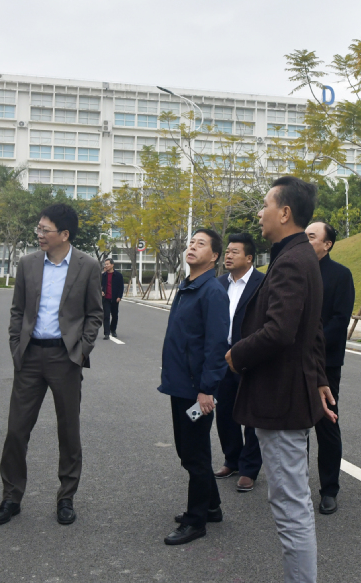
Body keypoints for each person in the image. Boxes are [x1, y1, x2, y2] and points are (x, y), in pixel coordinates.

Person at [226, 176, 337, 583]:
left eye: (266, 205)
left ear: (285, 212)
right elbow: (313, 327)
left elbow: (281, 331)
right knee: (290, 502)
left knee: (291, 507)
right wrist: (319, 377)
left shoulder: (292, 260)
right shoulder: (297, 255)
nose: (260, 213)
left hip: (281, 399)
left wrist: (236, 355)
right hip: (288, 393)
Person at [0, 203, 103, 527]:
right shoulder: (27, 263)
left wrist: (81, 351)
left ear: (64, 234)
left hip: (65, 358)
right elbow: (17, 310)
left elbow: (95, 313)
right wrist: (16, 348)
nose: (39, 234)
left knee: (68, 431)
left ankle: (66, 498)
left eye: (45, 230)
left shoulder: (87, 266)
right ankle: (11, 497)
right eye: (39, 229)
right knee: (16, 430)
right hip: (29, 357)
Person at [158, 228, 231, 545]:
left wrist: (206, 390)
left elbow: (216, 346)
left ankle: (196, 520)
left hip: (196, 391)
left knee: (194, 454)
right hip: (180, 385)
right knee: (190, 450)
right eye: (191, 242)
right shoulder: (188, 286)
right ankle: (211, 506)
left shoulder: (212, 292)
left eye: (201, 244)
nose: (192, 247)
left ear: (214, 256)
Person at [304, 221, 355, 515]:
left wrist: (310, 345)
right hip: (292, 361)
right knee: (295, 424)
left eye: (311, 237)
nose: (305, 240)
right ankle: (297, 486)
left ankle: (329, 490)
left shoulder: (340, 275)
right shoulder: (296, 271)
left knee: (327, 424)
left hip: (325, 362)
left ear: (328, 244)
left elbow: (339, 320)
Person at [212, 233, 264, 493]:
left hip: (250, 356)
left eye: (235, 252)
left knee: (252, 413)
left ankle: (249, 469)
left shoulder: (263, 283)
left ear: (249, 258)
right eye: (228, 251)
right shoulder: (219, 283)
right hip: (223, 357)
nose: (228, 256)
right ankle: (231, 460)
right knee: (225, 411)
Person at [101, 258, 124, 339]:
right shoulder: (103, 276)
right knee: (106, 316)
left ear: (112, 265)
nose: (106, 265)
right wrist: (101, 291)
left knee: (114, 315)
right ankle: (106, 333)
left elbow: (121, 287)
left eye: (107, 264)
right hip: (105, 299)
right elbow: (98, 285)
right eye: (105, 264)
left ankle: (113, 330)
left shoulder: (118, 275)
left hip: (115, 298)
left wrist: (119, 296)